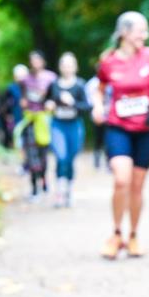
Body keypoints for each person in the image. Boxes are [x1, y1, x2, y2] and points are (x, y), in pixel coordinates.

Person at [90, 11, 149, 259]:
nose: (144, 36)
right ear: (124, 32)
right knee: (121, 179)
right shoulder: (108, 61)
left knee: (137, 186)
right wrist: (97, 106)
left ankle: (133, 236)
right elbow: (99, 89)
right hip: (118, 127)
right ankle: (115, 234)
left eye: (146, 31)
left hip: (146, 129)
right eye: (140, 31)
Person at [48, 52, 90, 208]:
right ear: (60, 67)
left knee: (71, 158)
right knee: (61, 157)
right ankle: (59, 191)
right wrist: (49, 105)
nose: (67, 68)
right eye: (64, 65)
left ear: (75, 67)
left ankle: (69, 191)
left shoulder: (80, 85)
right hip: (58, 125)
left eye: (70, 65)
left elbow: (86, 107)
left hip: (74, 125)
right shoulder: (54, 85)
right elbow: (47, 101)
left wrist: (73, 103)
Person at [17, 51, 57, 202]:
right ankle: (34, 188)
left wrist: (50, 104)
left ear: (43, 61)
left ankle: (44, 180)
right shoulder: (24, 80)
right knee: (31, 155)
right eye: (32, 60)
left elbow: (54, 97)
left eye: (37, 60)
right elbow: (22, 98)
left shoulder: (51, 78)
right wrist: (23, 103)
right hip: (29, 120)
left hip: (44, 121)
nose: (35, 63)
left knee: (43, 155)